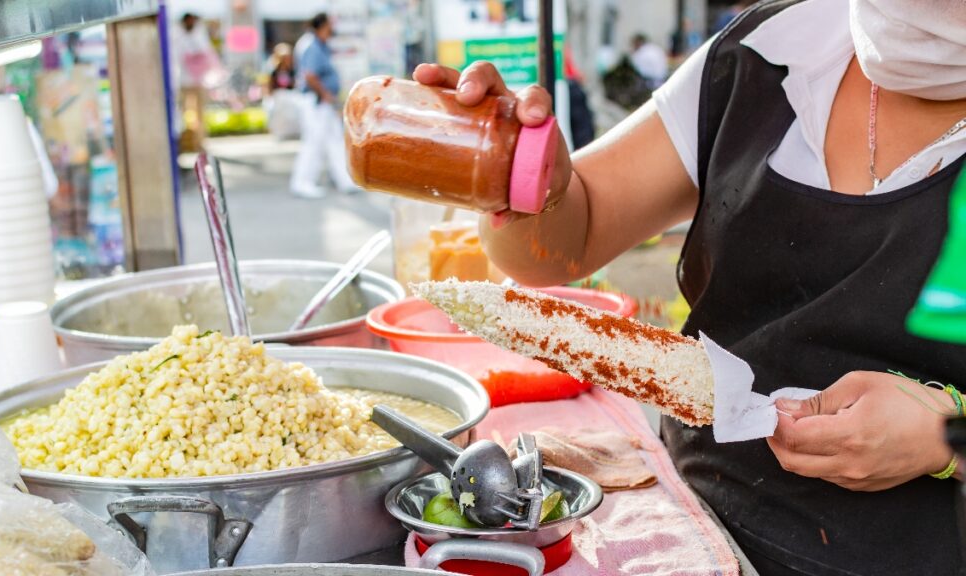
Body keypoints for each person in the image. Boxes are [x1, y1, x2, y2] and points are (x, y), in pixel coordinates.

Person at [410, 0, 966, 574]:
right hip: (686, 526)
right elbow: (573, 233)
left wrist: (944, 438)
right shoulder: (769, 51)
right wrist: (522, 180)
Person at [290, 13, 358, 199]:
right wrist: (326, 94)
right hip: (315, 101)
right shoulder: (311, 45)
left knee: (335, 140)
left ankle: (345, 179)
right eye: (329, 26)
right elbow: (310, 75)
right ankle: (302, 182)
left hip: (323, 102)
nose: (332, 30)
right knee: (314, 142)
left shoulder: (319, 45)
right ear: (322, 26)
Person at [173, 12, 218, 152]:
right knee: (185, 111)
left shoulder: (199, 34)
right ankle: (187, 139)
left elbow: (206, 53)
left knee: (199, 112)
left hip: (199, 81)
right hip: (184, 80)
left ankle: (199, 140)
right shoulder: (177, 35)